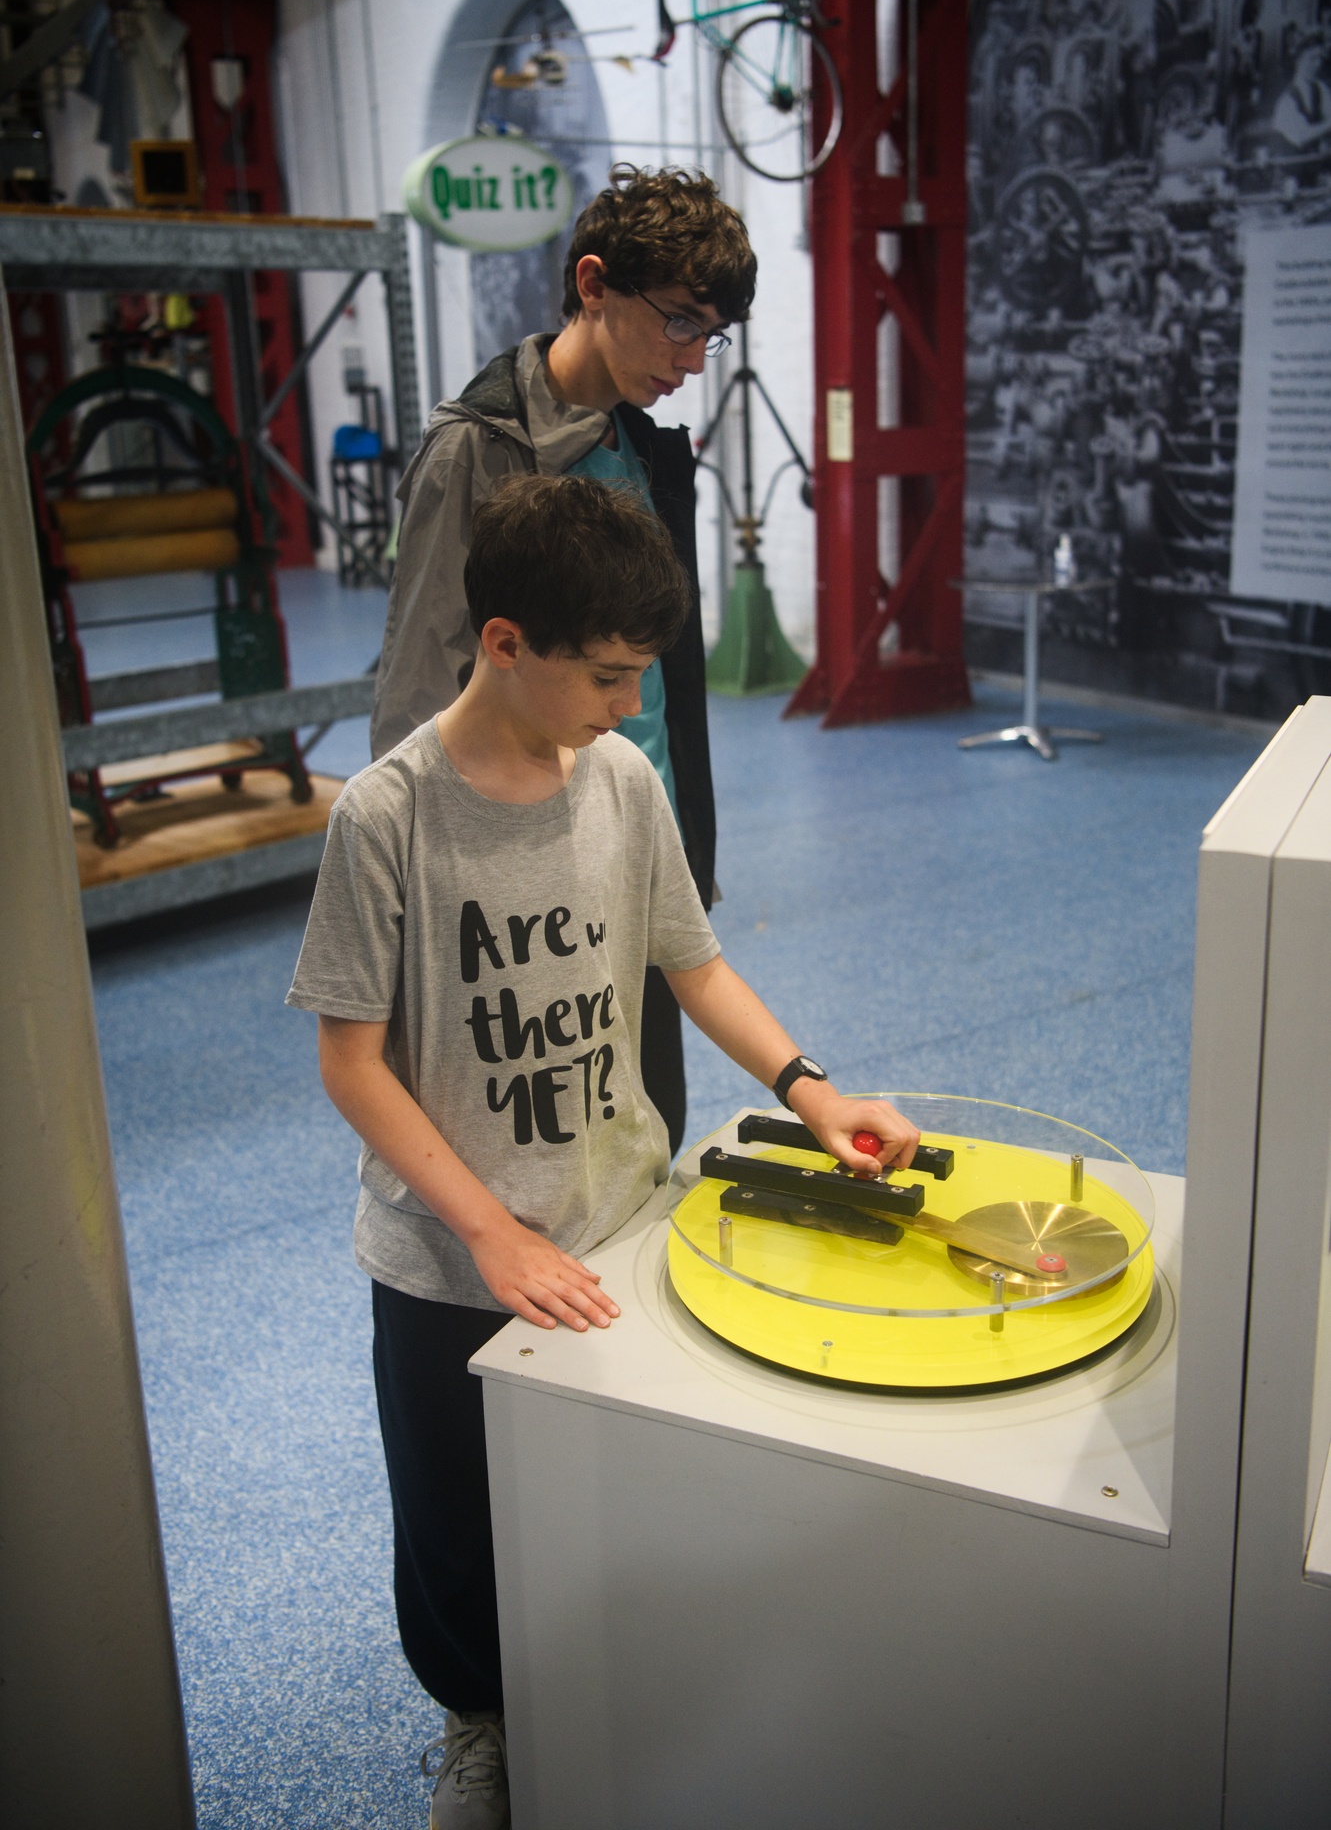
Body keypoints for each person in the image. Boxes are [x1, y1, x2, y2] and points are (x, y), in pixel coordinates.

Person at [289, 475, 920, 1829]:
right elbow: (351, 1061)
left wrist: (810, 1091)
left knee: (610, 1494)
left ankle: (612, 1690)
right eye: (607, 676)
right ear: (504, 642)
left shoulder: (623, 782)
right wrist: (485, 1230)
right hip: (447, 1263)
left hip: (617, 1219)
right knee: (456, 1527)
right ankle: (479, 1719)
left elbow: (691, 963)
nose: (630, 707)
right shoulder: (386, 816)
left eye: (641, 675)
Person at [370, 164, 757, 1162]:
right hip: (521, 868)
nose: (694, 358)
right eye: (679, 322)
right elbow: (416, 690)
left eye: (711, 335)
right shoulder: (476, 448)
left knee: (645, 1127)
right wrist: (418, 907)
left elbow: (660, 685)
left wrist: (688, 850)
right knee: (536, 1148)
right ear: (593, 284)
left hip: (640, 838)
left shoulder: (644, 446)